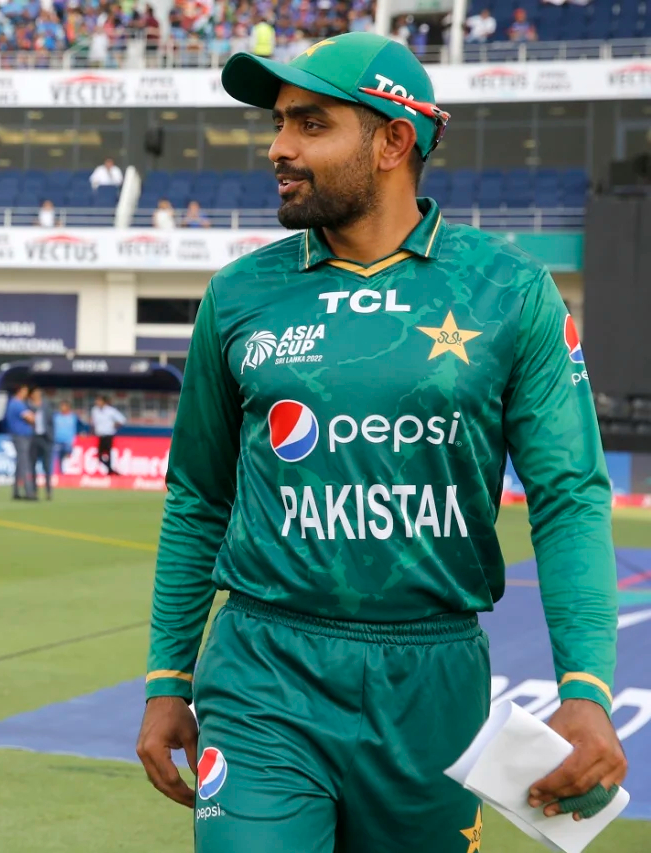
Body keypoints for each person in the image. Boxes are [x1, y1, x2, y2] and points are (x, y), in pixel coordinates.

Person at [135, 32, 626, 852]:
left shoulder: (511, 292)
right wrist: (165, 677)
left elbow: (570, 495)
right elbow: (198, 497)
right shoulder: (239, 294)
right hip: (264, 671)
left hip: (432, 682)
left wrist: (586, 684)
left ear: (393, 140)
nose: (278, 146)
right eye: (280, 122)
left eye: (311, 123)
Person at [5, 385, 36, 500]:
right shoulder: (18, 404)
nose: (26, 394)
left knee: (20, 464)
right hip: (21, 436)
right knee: (24, 464)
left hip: (18, 436)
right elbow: (31, 418)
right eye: (24, 391)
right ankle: (29, 492)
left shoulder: (13, 404)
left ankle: (16, 491)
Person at [29, 388, 55, 500]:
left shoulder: (46, 406)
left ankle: (48, 491)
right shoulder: (28, 405)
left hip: (45, 438)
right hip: (33, 438)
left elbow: (51, 422)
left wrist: (51, 436)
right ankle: (34, 491)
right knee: (32, 465)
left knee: (47, 466)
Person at [89, 395, 125, 475]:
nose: (97, 403)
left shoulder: (111, 411)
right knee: (100, 456)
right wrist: (91, 432)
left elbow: (122, 420)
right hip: (100, 436)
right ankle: (110, 470)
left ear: (104, 402)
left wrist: (114, 426)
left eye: (99, 401)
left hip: (109, 435)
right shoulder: (95, 410)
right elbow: (93, 423)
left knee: (108, 454)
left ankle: (110, 471)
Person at [52, 400, 79, 480]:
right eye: (61, 406)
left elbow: (80, 427)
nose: (62, 408)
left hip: (68, 442)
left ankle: (66, 476)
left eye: (64, 406)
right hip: (57, 441)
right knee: (57, 458)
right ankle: (58, 475)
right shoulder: (56, 417)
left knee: (67, 458)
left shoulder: (73, 417)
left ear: (68, 407)